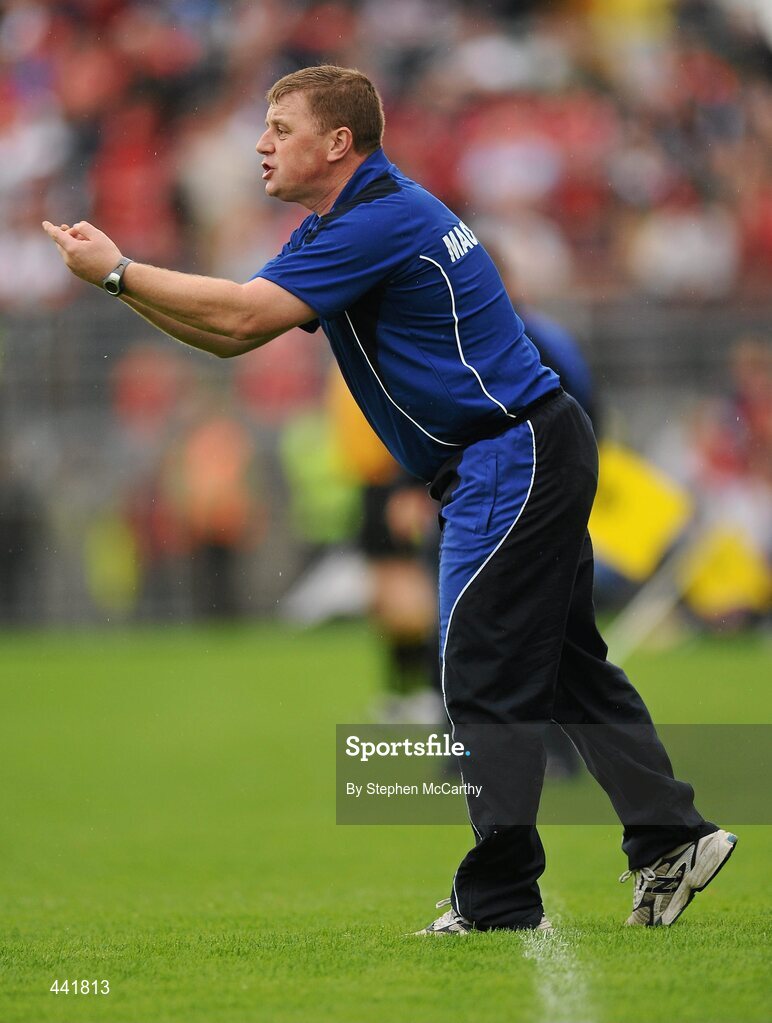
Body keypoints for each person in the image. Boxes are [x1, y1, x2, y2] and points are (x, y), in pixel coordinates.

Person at [42, 64, 737, 934]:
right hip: (524, 445)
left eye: (281, 128)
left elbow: (242, 318)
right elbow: (231, 336)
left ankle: (502, 897)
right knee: (564, 667)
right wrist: (120, 282)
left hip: (508, 452)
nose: (261, 144)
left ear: (339, 143)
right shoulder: (355, 218)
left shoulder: (375, 221)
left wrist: (120, 274)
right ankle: (673, 835)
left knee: (475, 668)